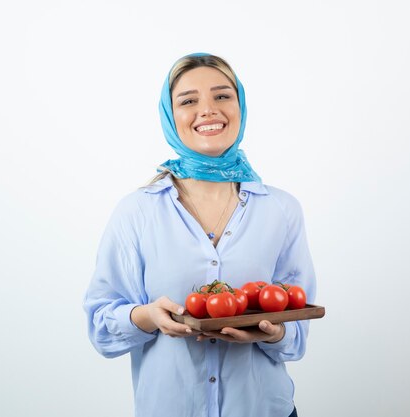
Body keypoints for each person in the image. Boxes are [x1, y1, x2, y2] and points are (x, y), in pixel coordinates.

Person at [83, 52, 316, 417]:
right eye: (189, 101)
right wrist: (145, 317)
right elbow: (101, 328)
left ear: (240, 106)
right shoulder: (136, 212)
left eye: (222, 96)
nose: (207, 110)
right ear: (170, 116)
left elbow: (297, 336)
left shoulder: (282, 210)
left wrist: (274, 334)